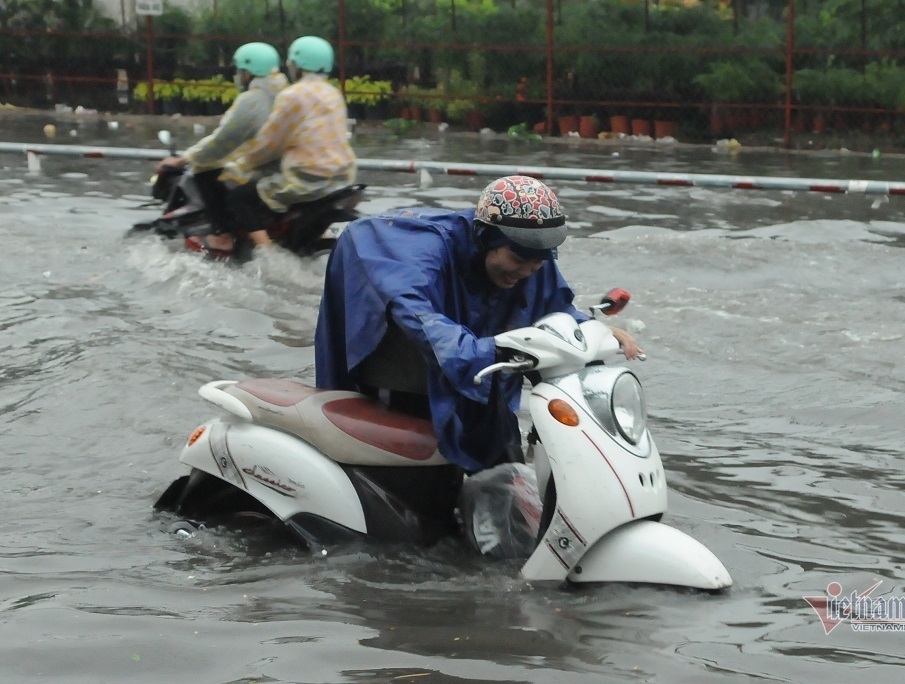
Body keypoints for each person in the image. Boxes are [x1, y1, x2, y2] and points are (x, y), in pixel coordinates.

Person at [314, 175, 642, 475]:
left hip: (482, 372)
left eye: (537, 263)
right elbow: (423, 321)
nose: (527, 272)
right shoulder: (422, 252)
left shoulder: (529, 256)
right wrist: (486, 348)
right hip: (405, 378)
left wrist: (590, 329)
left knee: (507, 467)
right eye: (517, 261)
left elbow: (554, 306)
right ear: (486, 238)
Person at [221, 35, 357, 252]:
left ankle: (270, 254)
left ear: (297, 66)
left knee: (239, 198)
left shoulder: (292, 95)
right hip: (343, 177)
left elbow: (270, 142)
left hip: (307, 179)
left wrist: (241, 164)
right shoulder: (334, 93)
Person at [154, 42, 287, 256]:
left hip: (266, 172)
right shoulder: (285, 93)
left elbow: (222, 141)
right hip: (286, 167)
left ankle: (222, 234)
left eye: (240, 70)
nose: (238, 75)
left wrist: (184, 160)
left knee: (204, 170)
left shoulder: (253, 100)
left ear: (249, 71)